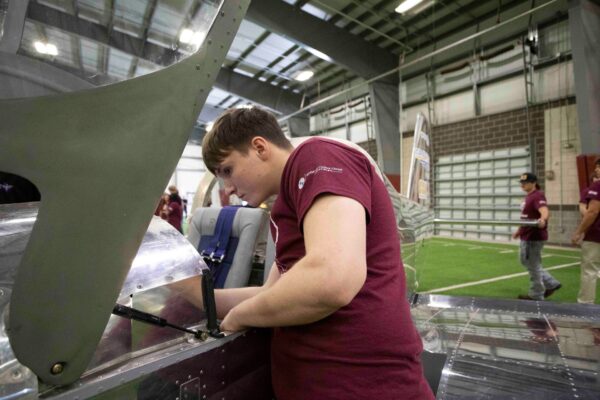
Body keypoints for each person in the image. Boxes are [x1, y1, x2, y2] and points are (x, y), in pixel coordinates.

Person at [176, 106, 433, 399]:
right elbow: (271, 293)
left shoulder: (317, 156)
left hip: (367, 386)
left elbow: (332, 279)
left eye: (227, 170)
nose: (229, 188)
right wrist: (191, 290)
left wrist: (241, 316)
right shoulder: (284, 208)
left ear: (259, 147)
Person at [512, 173, 561, 300]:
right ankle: (551, 283)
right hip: (526, 234)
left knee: (533, 265)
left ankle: (536, 294)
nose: (523, 184)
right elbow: (526, 216)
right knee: (526, 261)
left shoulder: (537, 195)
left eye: (526, 182)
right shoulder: (528, 197)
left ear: (534, 183)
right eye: (521, 182)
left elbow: (544, 211)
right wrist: (519, 230)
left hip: (533, 237)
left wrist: (542, 220)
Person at [572, 159, 600, 304]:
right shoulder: (589, 189)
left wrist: (578, 231)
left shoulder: (598, 185)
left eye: (598, 168)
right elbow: (585, 207)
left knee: (590, 270)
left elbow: (592, 212)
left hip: (596, 234)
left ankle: (585, 305)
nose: (596, 171)